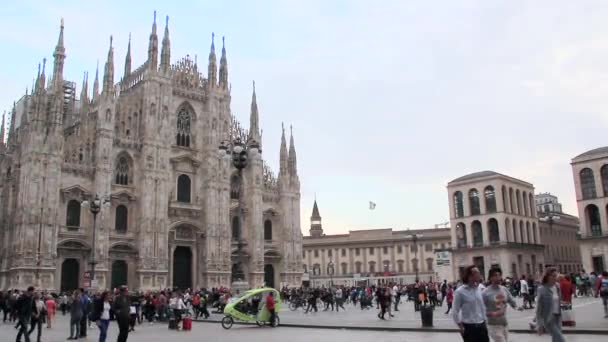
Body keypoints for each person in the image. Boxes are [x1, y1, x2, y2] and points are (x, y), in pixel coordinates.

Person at [483, 267, 522, 342]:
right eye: (495, 275)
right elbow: (480, 310)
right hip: (493, 325)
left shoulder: (504, 289)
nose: (498, 277)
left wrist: (517, 307)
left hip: (504, 324)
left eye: (499, 275)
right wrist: (492, 313)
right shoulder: (485, 292)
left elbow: (511, 301)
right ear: (490, 278)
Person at [452, 266, 489, 342]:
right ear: (470, 276)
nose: (479, 274)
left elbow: (483, 307)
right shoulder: (460, 292)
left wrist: (485, 321)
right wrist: (460, 326)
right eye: (476, 273)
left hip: (482, 326)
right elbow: (455, 310)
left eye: (479, 272)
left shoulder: (481, 288)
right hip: (469, 327)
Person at [535, 267, 565, 342]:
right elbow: (539, 308)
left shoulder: (557, 286)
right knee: (560, 339)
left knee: (556, 339)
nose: (555, 278)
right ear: (547, 276)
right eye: (553, 276)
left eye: (556, 276)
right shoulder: (541, 289)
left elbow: (558, 300)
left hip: (558, 317)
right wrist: (539, 324)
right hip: (549, 319)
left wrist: (562, 302)